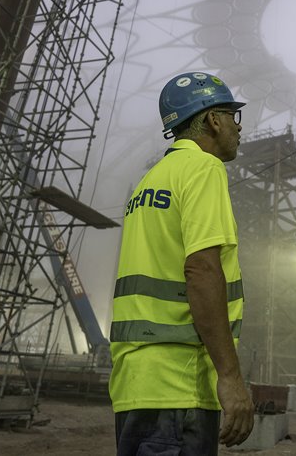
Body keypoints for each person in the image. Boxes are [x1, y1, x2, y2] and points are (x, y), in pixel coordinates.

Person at [109, 71, 254, 455]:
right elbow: (202, 271)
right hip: (179, 383)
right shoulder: (203, 169)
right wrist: (230, 376)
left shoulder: (150, 181)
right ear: (213, 120)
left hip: (134, 384)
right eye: (232, 116)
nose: (238, 128)